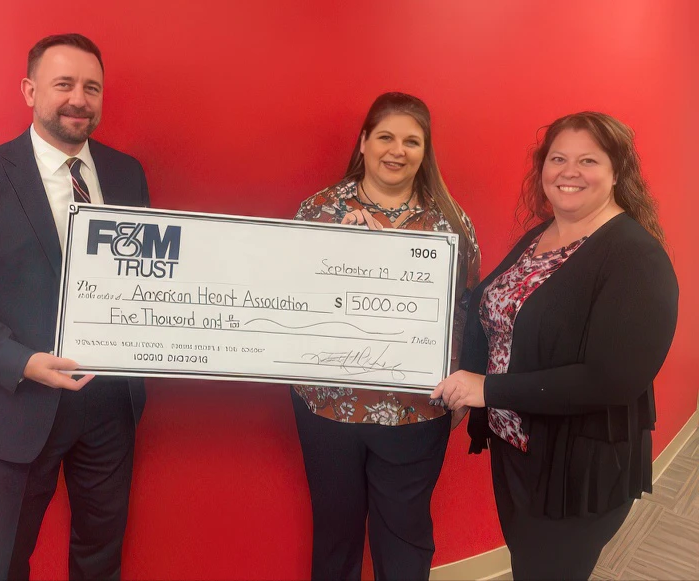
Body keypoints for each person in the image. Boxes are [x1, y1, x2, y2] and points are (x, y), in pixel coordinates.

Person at [0, 34, 149, 580]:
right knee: (5, 564)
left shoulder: (127, 173)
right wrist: (21, 361)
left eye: (92, 88)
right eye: (63, 84)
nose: (79, 99)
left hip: (110, 405)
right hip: (19, 403)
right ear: (29, 91)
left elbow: (147, 276)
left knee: (101, 559)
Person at [431, 111, 679, 580]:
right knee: (530, 566)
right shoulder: (543, 234)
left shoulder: (635, 257)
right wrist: (466, 382)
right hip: (518, 447)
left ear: (617, 172)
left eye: (588, 160)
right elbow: (497, 315)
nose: (570, 172)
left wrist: (487, 389)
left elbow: (611, 380)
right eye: (558, 158)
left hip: (577, 468)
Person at [291, 92, 480, 580]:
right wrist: (342, 253)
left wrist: (462, 381)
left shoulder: (449, 222)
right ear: (364, 142)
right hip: (328, 406)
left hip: (416, 410)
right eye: (385, 137)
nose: (397, 151)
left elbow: (464, 308)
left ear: (425, 150)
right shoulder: (319, 211)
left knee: (404, 541)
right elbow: (290, 299)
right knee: (335, 535)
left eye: (411, 141)